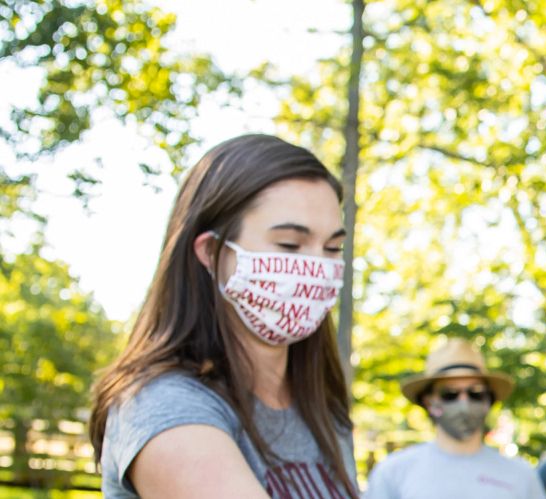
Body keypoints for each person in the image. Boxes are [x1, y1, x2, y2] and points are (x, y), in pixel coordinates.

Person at [89, 134, 358, 498]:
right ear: (213, 252)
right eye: (289, 245)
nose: (317, 266)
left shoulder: (322, 409)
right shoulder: (163, 406)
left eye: (333, 247)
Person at [364, 338, 546, 499]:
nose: (464, 403)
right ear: (429, 402)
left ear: (488, 400)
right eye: (450, 393)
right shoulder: (393, 473)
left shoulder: (521, 476)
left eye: (475, 393)